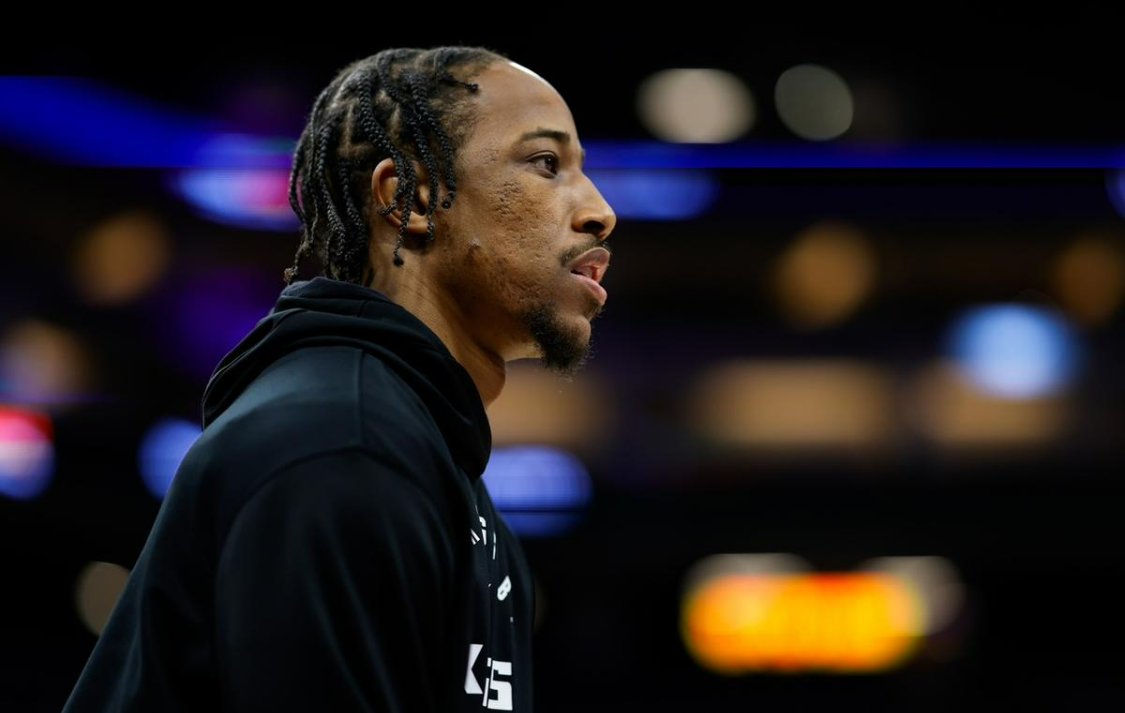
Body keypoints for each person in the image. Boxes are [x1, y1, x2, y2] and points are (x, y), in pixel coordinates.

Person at [60, 45, 615, 712]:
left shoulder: (416, 456)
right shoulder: (341, 447)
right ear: (410, 198)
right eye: (546, 163)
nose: (599, 210)